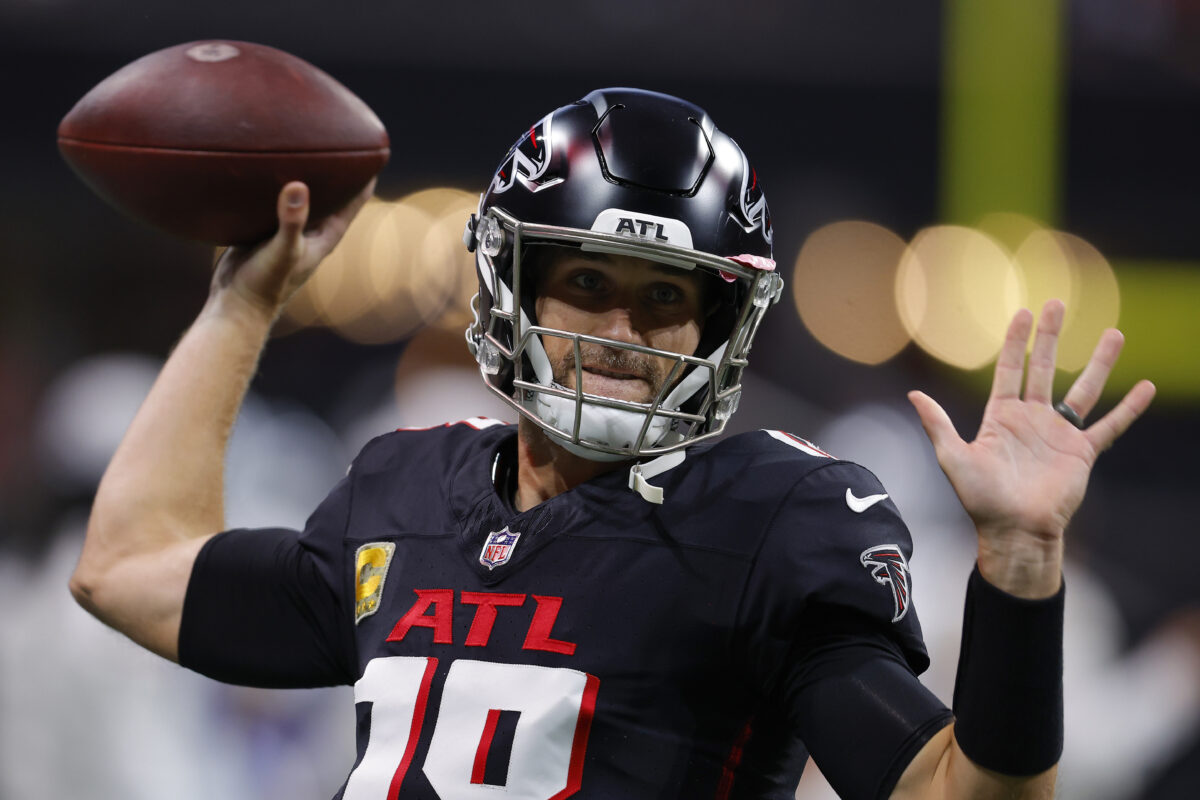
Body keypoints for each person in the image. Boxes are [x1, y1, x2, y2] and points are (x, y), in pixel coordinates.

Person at [71, 88, 1156, 799]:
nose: (624, 335)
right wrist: (241, 306)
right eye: (587, 284)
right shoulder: (405, 488)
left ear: (717, 328)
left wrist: (1021, 564)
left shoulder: (768, 520)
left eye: (665, 299)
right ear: (514, 284)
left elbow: (962, 794)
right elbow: (125, 567)